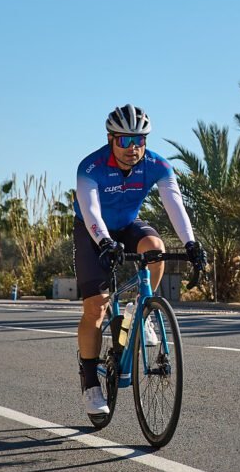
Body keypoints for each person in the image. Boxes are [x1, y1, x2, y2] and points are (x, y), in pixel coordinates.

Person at [73, 104, 208, 416]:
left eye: (140, 141)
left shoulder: (157, 165)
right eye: (125, 141)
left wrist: (191, 243)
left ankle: (141, 310)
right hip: (92, 230)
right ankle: (91, 380)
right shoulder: (90, 167)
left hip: (127, 224)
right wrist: (104, 241)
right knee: (96, 305)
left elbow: (175, 204)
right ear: (110, 139)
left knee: (155, 246)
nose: (133, 148)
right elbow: (91, 210)